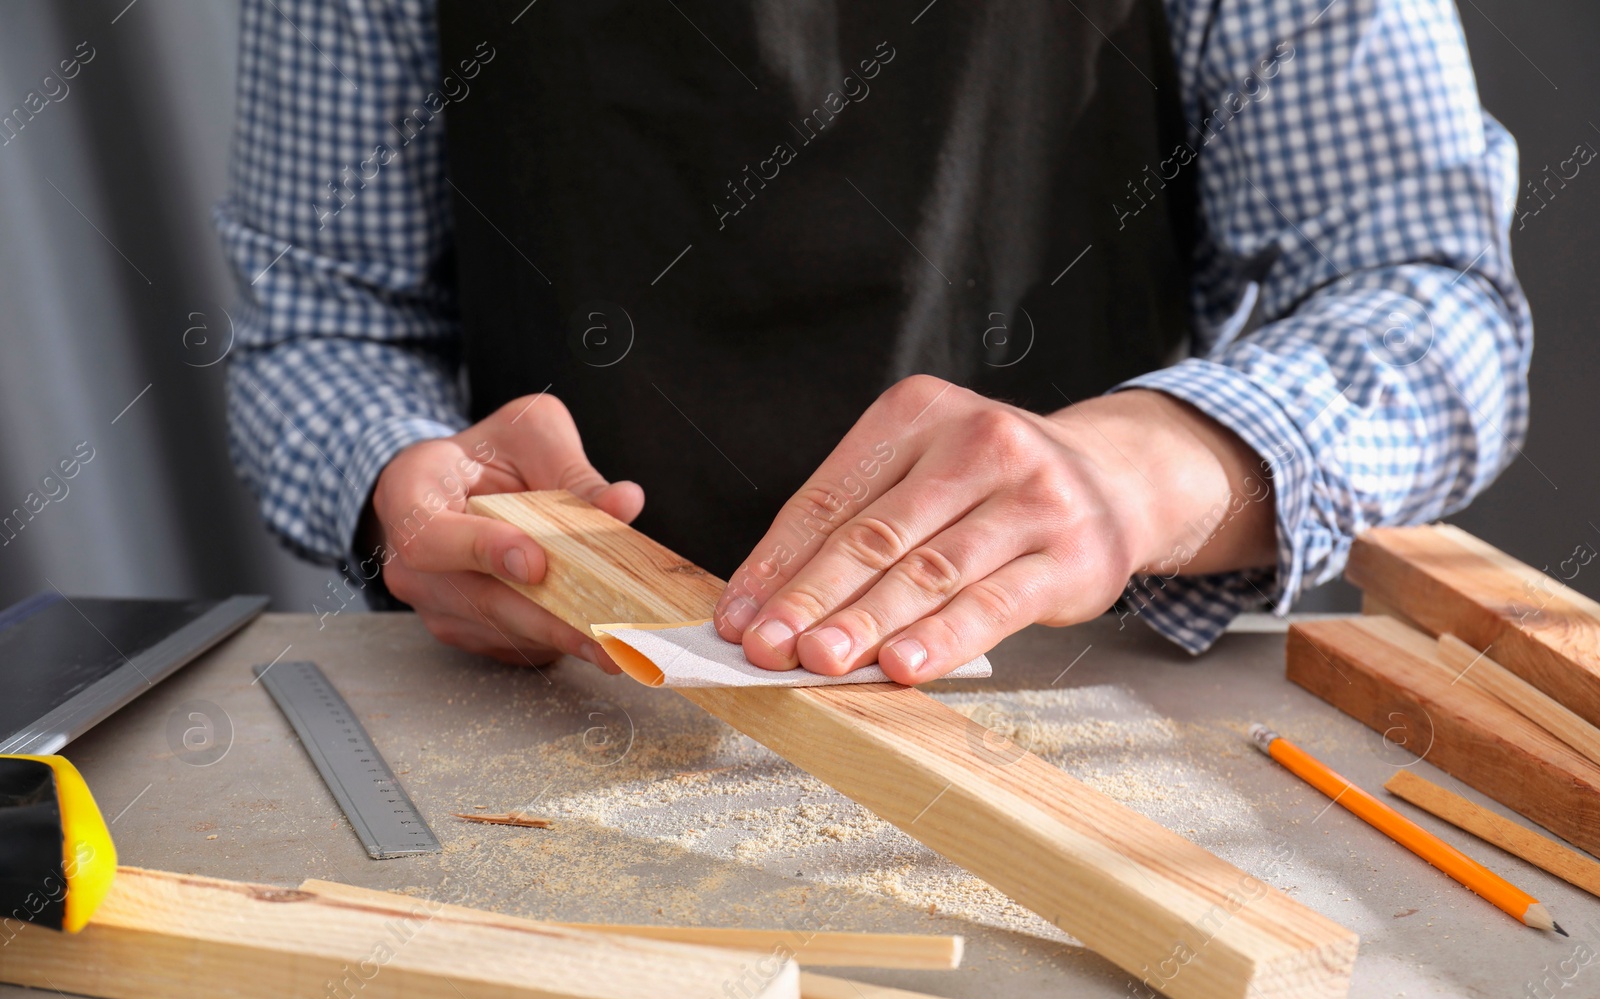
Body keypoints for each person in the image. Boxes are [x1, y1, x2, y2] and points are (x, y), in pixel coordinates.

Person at [216, 0, 1529, 684]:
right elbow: (325, 327)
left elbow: (1424, 292)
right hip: (561, 703)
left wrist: (1129, 478)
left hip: (1086, 699)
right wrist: (406, 484)